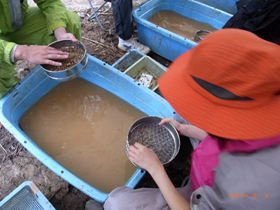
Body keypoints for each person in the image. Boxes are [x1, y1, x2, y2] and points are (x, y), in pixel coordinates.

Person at [85, 28, 280, 209]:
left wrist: (156, 170)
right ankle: (188, 160)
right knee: (181, 117)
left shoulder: (252, 189)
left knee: (117, 202)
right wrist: (184, 129)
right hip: (209, 170)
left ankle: (184, 184)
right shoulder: (261, 115)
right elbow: (230, 139)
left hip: (199, 199)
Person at [0, 0, 81, 98]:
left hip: (17, 22)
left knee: (69, 20)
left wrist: (59, 31)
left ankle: (69, 76)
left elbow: (49, 2)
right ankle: (12, 100)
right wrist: (22, 51)